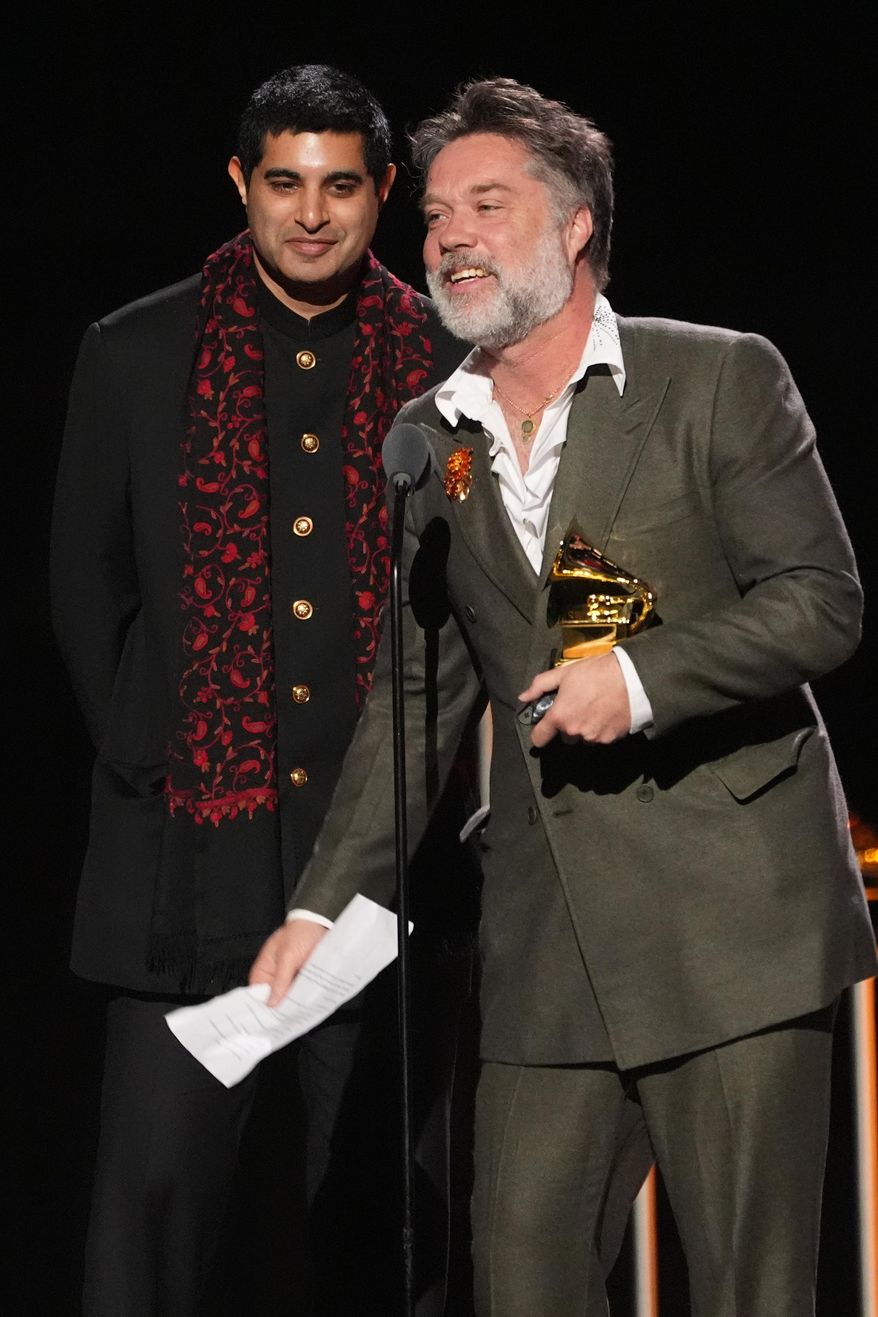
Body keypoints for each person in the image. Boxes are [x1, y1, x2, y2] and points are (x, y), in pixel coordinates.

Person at [251, 77, 878, 1315]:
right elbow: (408, 704)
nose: (448, 239)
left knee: (753, 1291)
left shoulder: (714, 379)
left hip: (729, 927)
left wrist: (641, 680)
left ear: (576, 222)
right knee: (522, 1279)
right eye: (433, 218)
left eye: (486, 204)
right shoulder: (432, 439)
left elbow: (819, 600)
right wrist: (323, 908)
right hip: (547, 948)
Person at [51, 63, 470, 1317]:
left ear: (383, 192)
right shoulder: (136, 350)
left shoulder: (449, 360)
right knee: (152, 1235)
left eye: (340, 186)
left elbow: (503, 579)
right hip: (187, 866)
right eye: (282, 183)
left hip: (383, 873)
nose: (309, 213)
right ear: (239, 183)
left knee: (395, 1231)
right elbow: (87, 591)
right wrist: (161, 762)